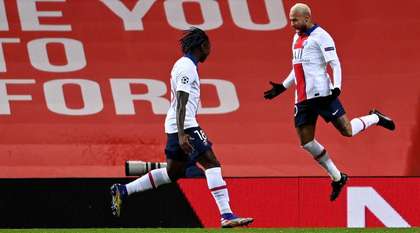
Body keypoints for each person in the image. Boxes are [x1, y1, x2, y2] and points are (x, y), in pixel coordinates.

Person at [111, 27, 253, 228]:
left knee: (172, 173)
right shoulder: (186, 67)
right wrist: (182, 134)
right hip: (185, 125)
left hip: (176, 125)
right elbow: (181, 101)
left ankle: (123, 190)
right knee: (212, 163)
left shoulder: (185, 65)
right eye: (209, 46)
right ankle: (226, 214)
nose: (210, 51)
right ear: (202, 46)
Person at [264, 3, 395, 201]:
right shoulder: (296, 38)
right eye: (291, 20)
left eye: (294, 20)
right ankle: (338, 177)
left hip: (323, 94)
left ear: (307, 18)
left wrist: (337, 87)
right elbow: (297, 66)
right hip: (302, 99)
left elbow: (335, 63)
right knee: (306, 142)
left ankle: (375, 117)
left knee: (347, 131)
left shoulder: (321, 36)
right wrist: (282, 87)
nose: (291, 24)